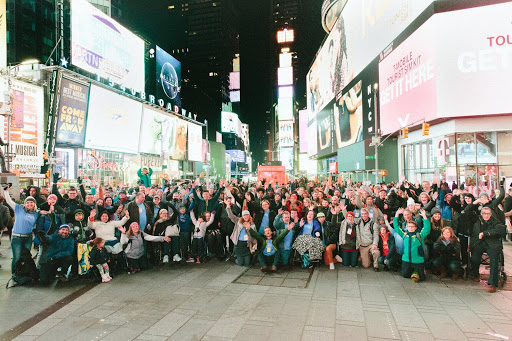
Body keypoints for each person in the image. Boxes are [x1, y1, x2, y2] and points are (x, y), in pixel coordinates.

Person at [0, 185, 38, 273]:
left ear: (34, 204)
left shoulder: (36, 213)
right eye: (27, 202)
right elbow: (9, 201)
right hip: (17, 238)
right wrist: (6, 191)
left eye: (31, 202)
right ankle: (14, 275)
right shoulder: (19, 209)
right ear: (25, 204)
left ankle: (23, 273)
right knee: (16, 257)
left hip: (28, 238)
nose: (29, 204)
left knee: (26, 257)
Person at [470, 207, 506, 293]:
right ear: (481, 214)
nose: (486, 215)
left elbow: (501, 230)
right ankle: (475, 274)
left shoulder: (495, 221)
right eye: (484, 213)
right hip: (480, 243)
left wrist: (485, 233)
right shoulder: (477, 222)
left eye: (488, 214)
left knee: (494, 260)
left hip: (492, 244)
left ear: (491, 214)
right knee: (474, 258)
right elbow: (474, 235)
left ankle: (492, 284)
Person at [393, 208, 431, 283]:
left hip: (418, 259)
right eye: (409, 227)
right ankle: (413, 271)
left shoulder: (419, 235)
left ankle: (417, 271)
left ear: (415, 228)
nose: (410, 228)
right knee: (405, 275)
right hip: (406, 259)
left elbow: (427, 229)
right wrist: (397, 214)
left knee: (422, 278)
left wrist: (424, 217)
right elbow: (396, 227)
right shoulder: (404, 235)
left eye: (412, 227)